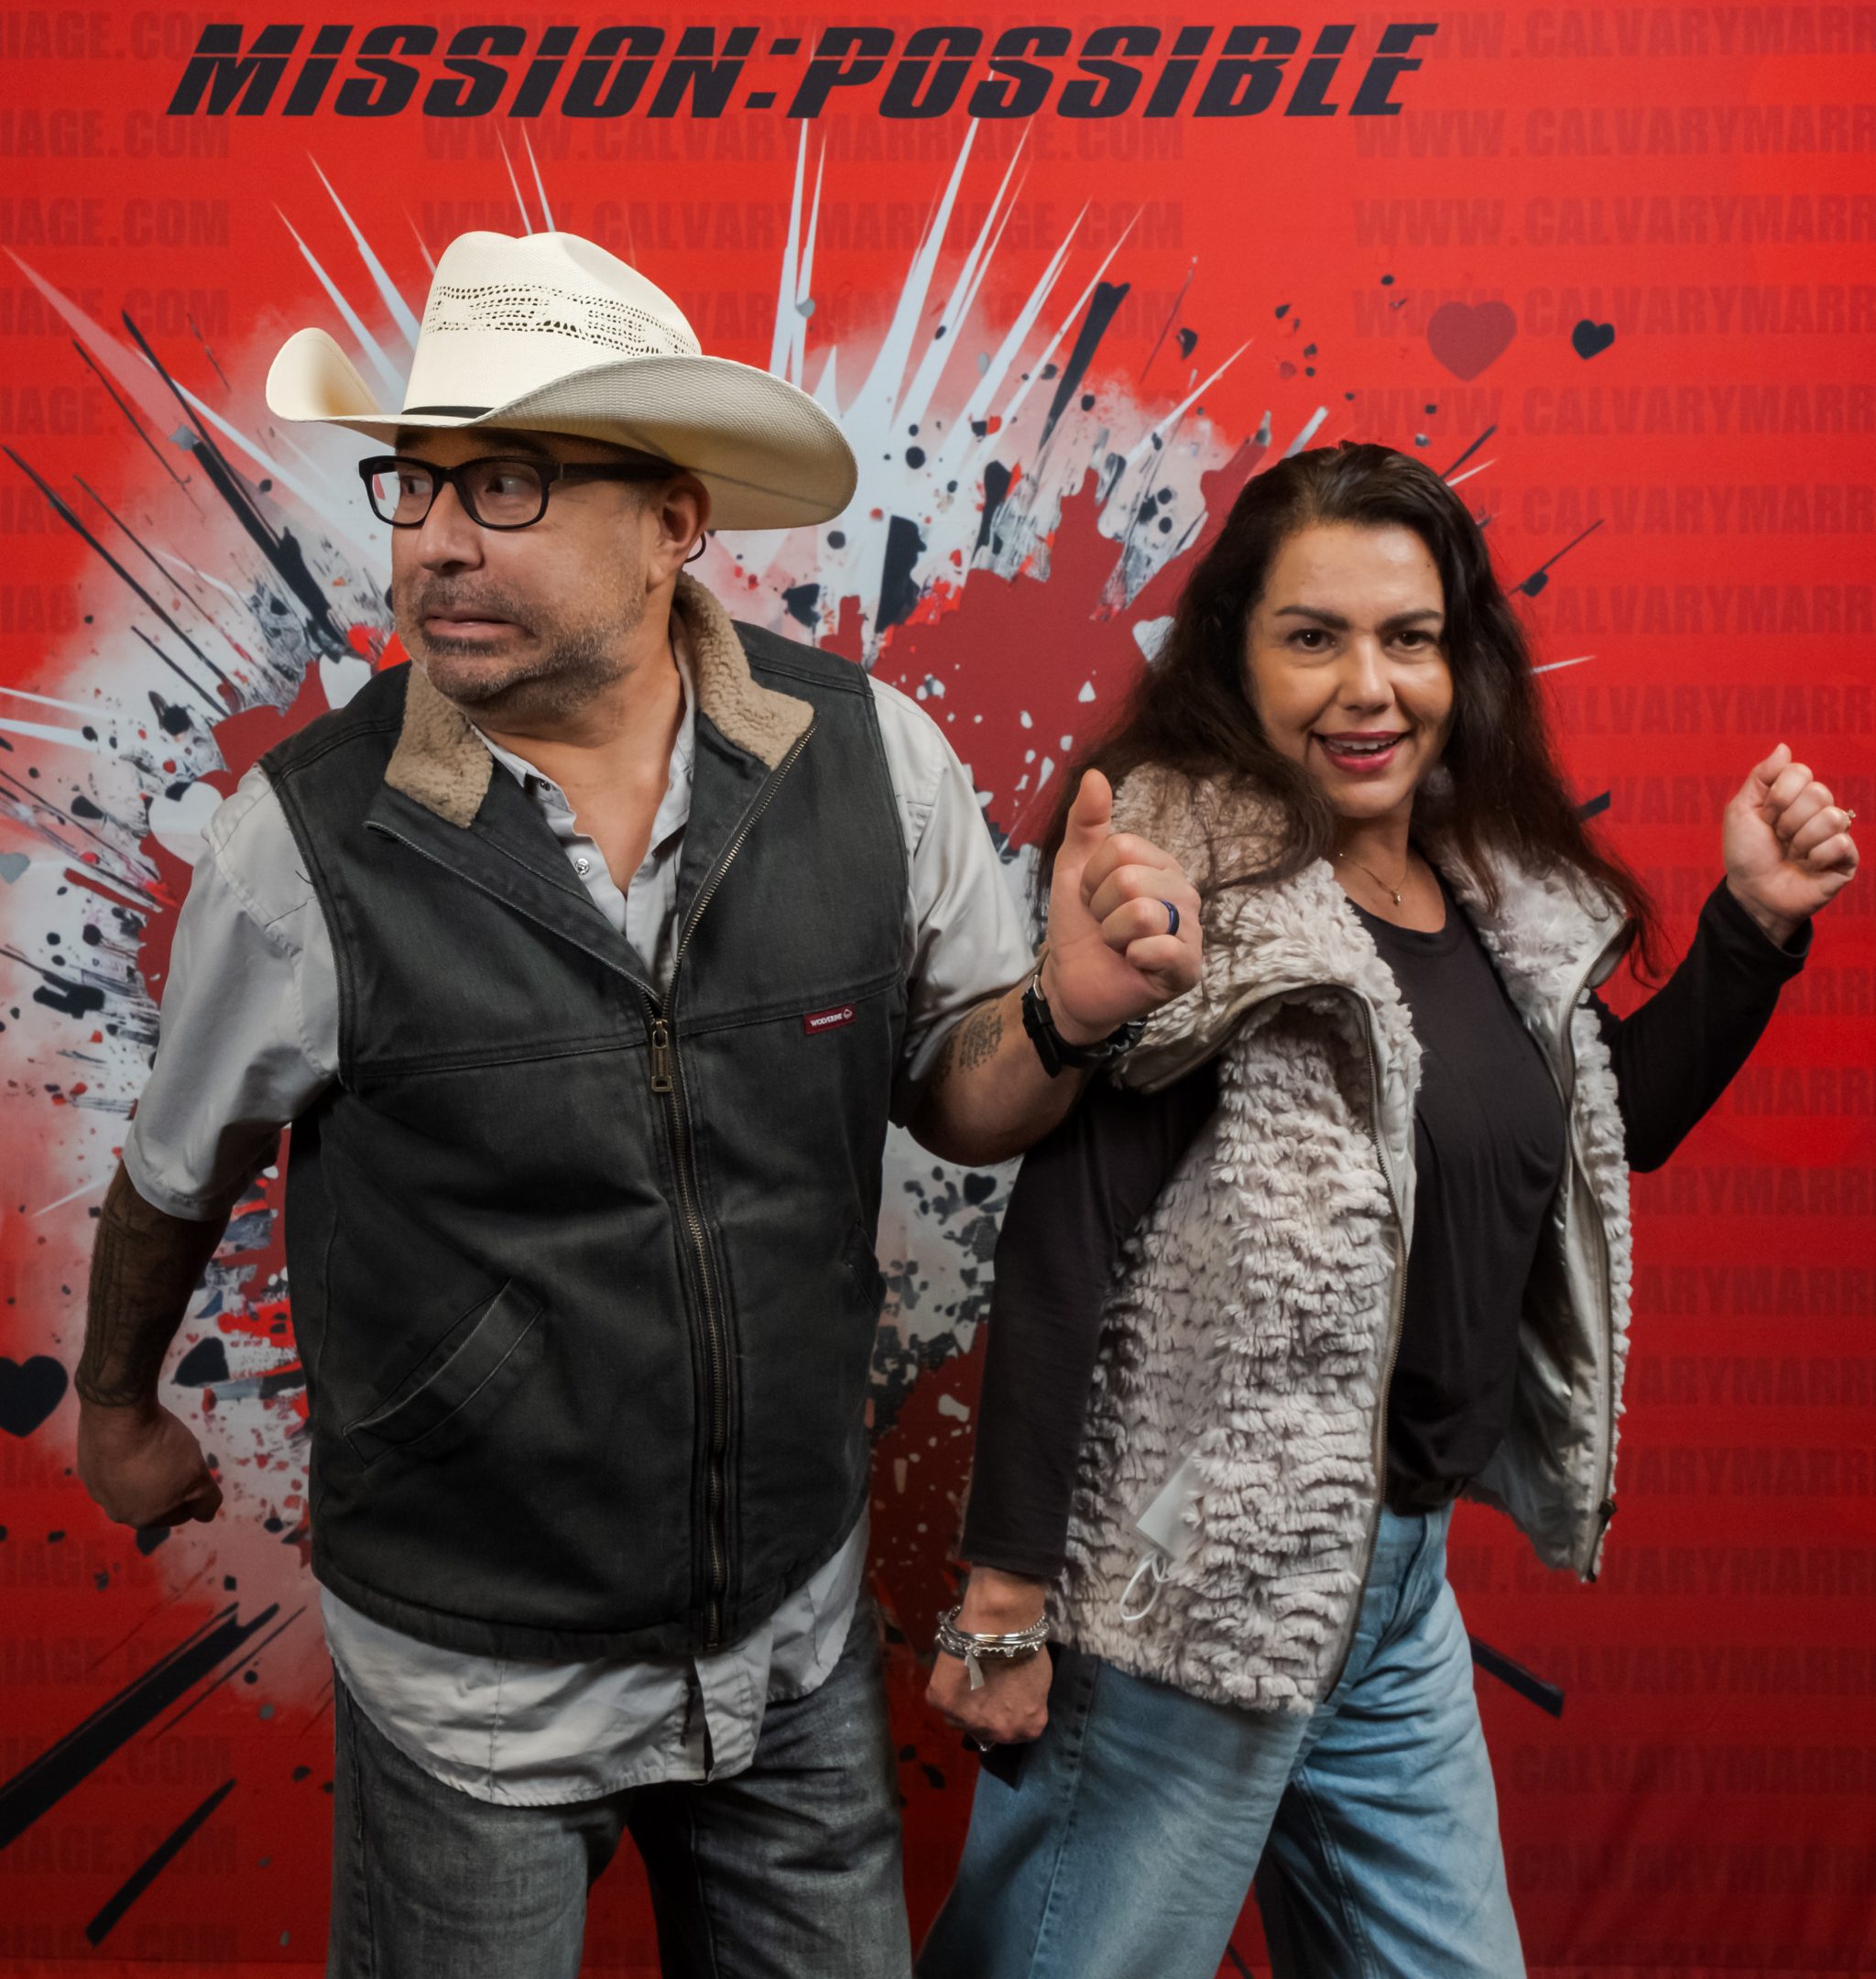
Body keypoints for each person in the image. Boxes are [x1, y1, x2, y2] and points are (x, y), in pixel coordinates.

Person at [71, 226, 1204, 1979]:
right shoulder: (301, 841)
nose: (434, 541)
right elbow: (176, 1167)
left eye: (506, 484)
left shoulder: (871, 759)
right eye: (415, 483)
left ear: (676, 522)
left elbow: (957, 1098)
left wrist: (1060, 1016)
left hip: (789, 1641)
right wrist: (119, 1403)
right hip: (475, 1683)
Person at [918, 442, 1858, 1979]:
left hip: (1398, 1594)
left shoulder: (1490, 896)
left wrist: (1751, 927)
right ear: (1236, 656)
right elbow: (1063, 1243)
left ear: (1458, 659)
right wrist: (1006, 1599)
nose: (1370, 688)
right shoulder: (1183, 898)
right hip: (1185, 1589)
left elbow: (1596, 1135)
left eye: (1408, 638)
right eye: (1314, 637)